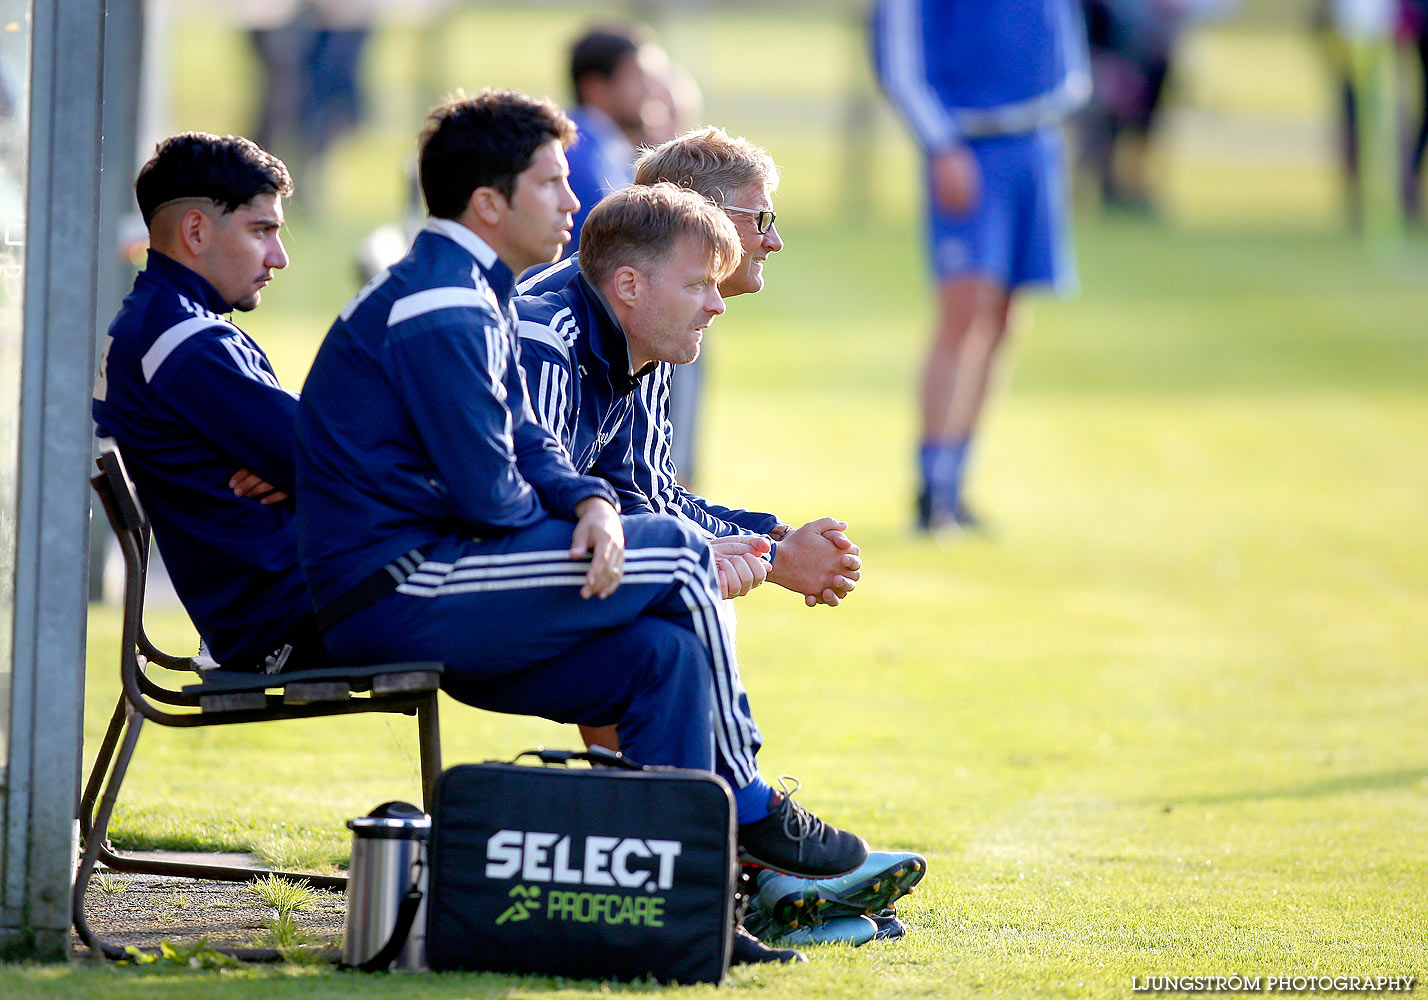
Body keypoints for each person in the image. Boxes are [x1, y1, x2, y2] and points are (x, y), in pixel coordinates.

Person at [292, 94, 867, 960]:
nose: (574, 202)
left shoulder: (478, 291)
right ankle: (748, 806)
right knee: (674, 556)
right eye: (553, 183)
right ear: (490, 203)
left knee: (661, 657)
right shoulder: (446, 304)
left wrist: (597, 510)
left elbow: (539, 450)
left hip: (451, 571)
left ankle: (692, 913)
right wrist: (610, 529)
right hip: (400, 583)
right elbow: (493, 499)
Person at [521, 126, 863, 608]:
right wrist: (774, 557)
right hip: (473, 576)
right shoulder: (588, 320)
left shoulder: (649, 315)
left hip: (531, 559)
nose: (775, 241)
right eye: (762, 218)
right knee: (690, 606)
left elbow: (643, 490)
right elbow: (568, 504)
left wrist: (770, 537)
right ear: (704, 215)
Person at [92, 131, 326, 673]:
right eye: (262, 230)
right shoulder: (181, 342)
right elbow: (336, 460)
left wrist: (303, 460)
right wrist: (308, 461)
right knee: (544, 577)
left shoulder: (157, 324)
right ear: (195, 231)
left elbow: (317, 452)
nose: (281, 256)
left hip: (292, 603)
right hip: (294, 616)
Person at [872, 0, 1090, 533]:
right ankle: (929, 487)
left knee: (1006, 319)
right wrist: (941, 143)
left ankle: (956, 482)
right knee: (965, 311)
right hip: (970, 147)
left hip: (1037, 142)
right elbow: (898, 60)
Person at [562, 25, 647, 255]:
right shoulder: (576, 150)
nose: (647, 90)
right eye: (635, 78)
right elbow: (608, 246)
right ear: (595, 88)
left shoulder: (607, 144)